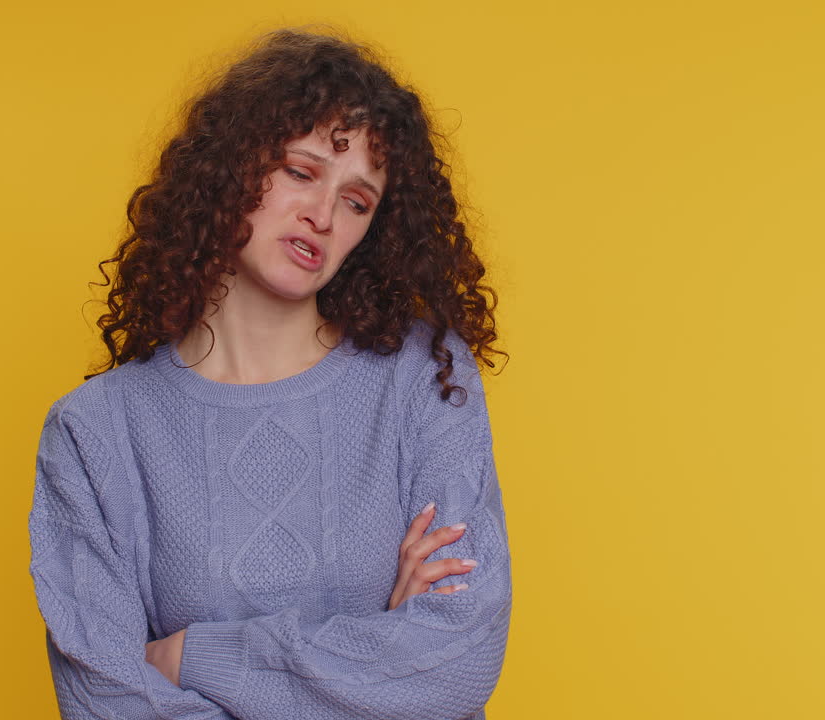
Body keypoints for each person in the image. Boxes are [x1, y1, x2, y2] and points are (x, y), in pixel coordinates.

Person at [27, 27, 512, 720]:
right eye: (301, 171)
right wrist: (376, 659)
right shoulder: (97, 434)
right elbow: (108, 703)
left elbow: (456, 662)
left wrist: (192, 657)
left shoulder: (421, 378)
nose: (321, 216)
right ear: (232, 166)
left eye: (356, 201)